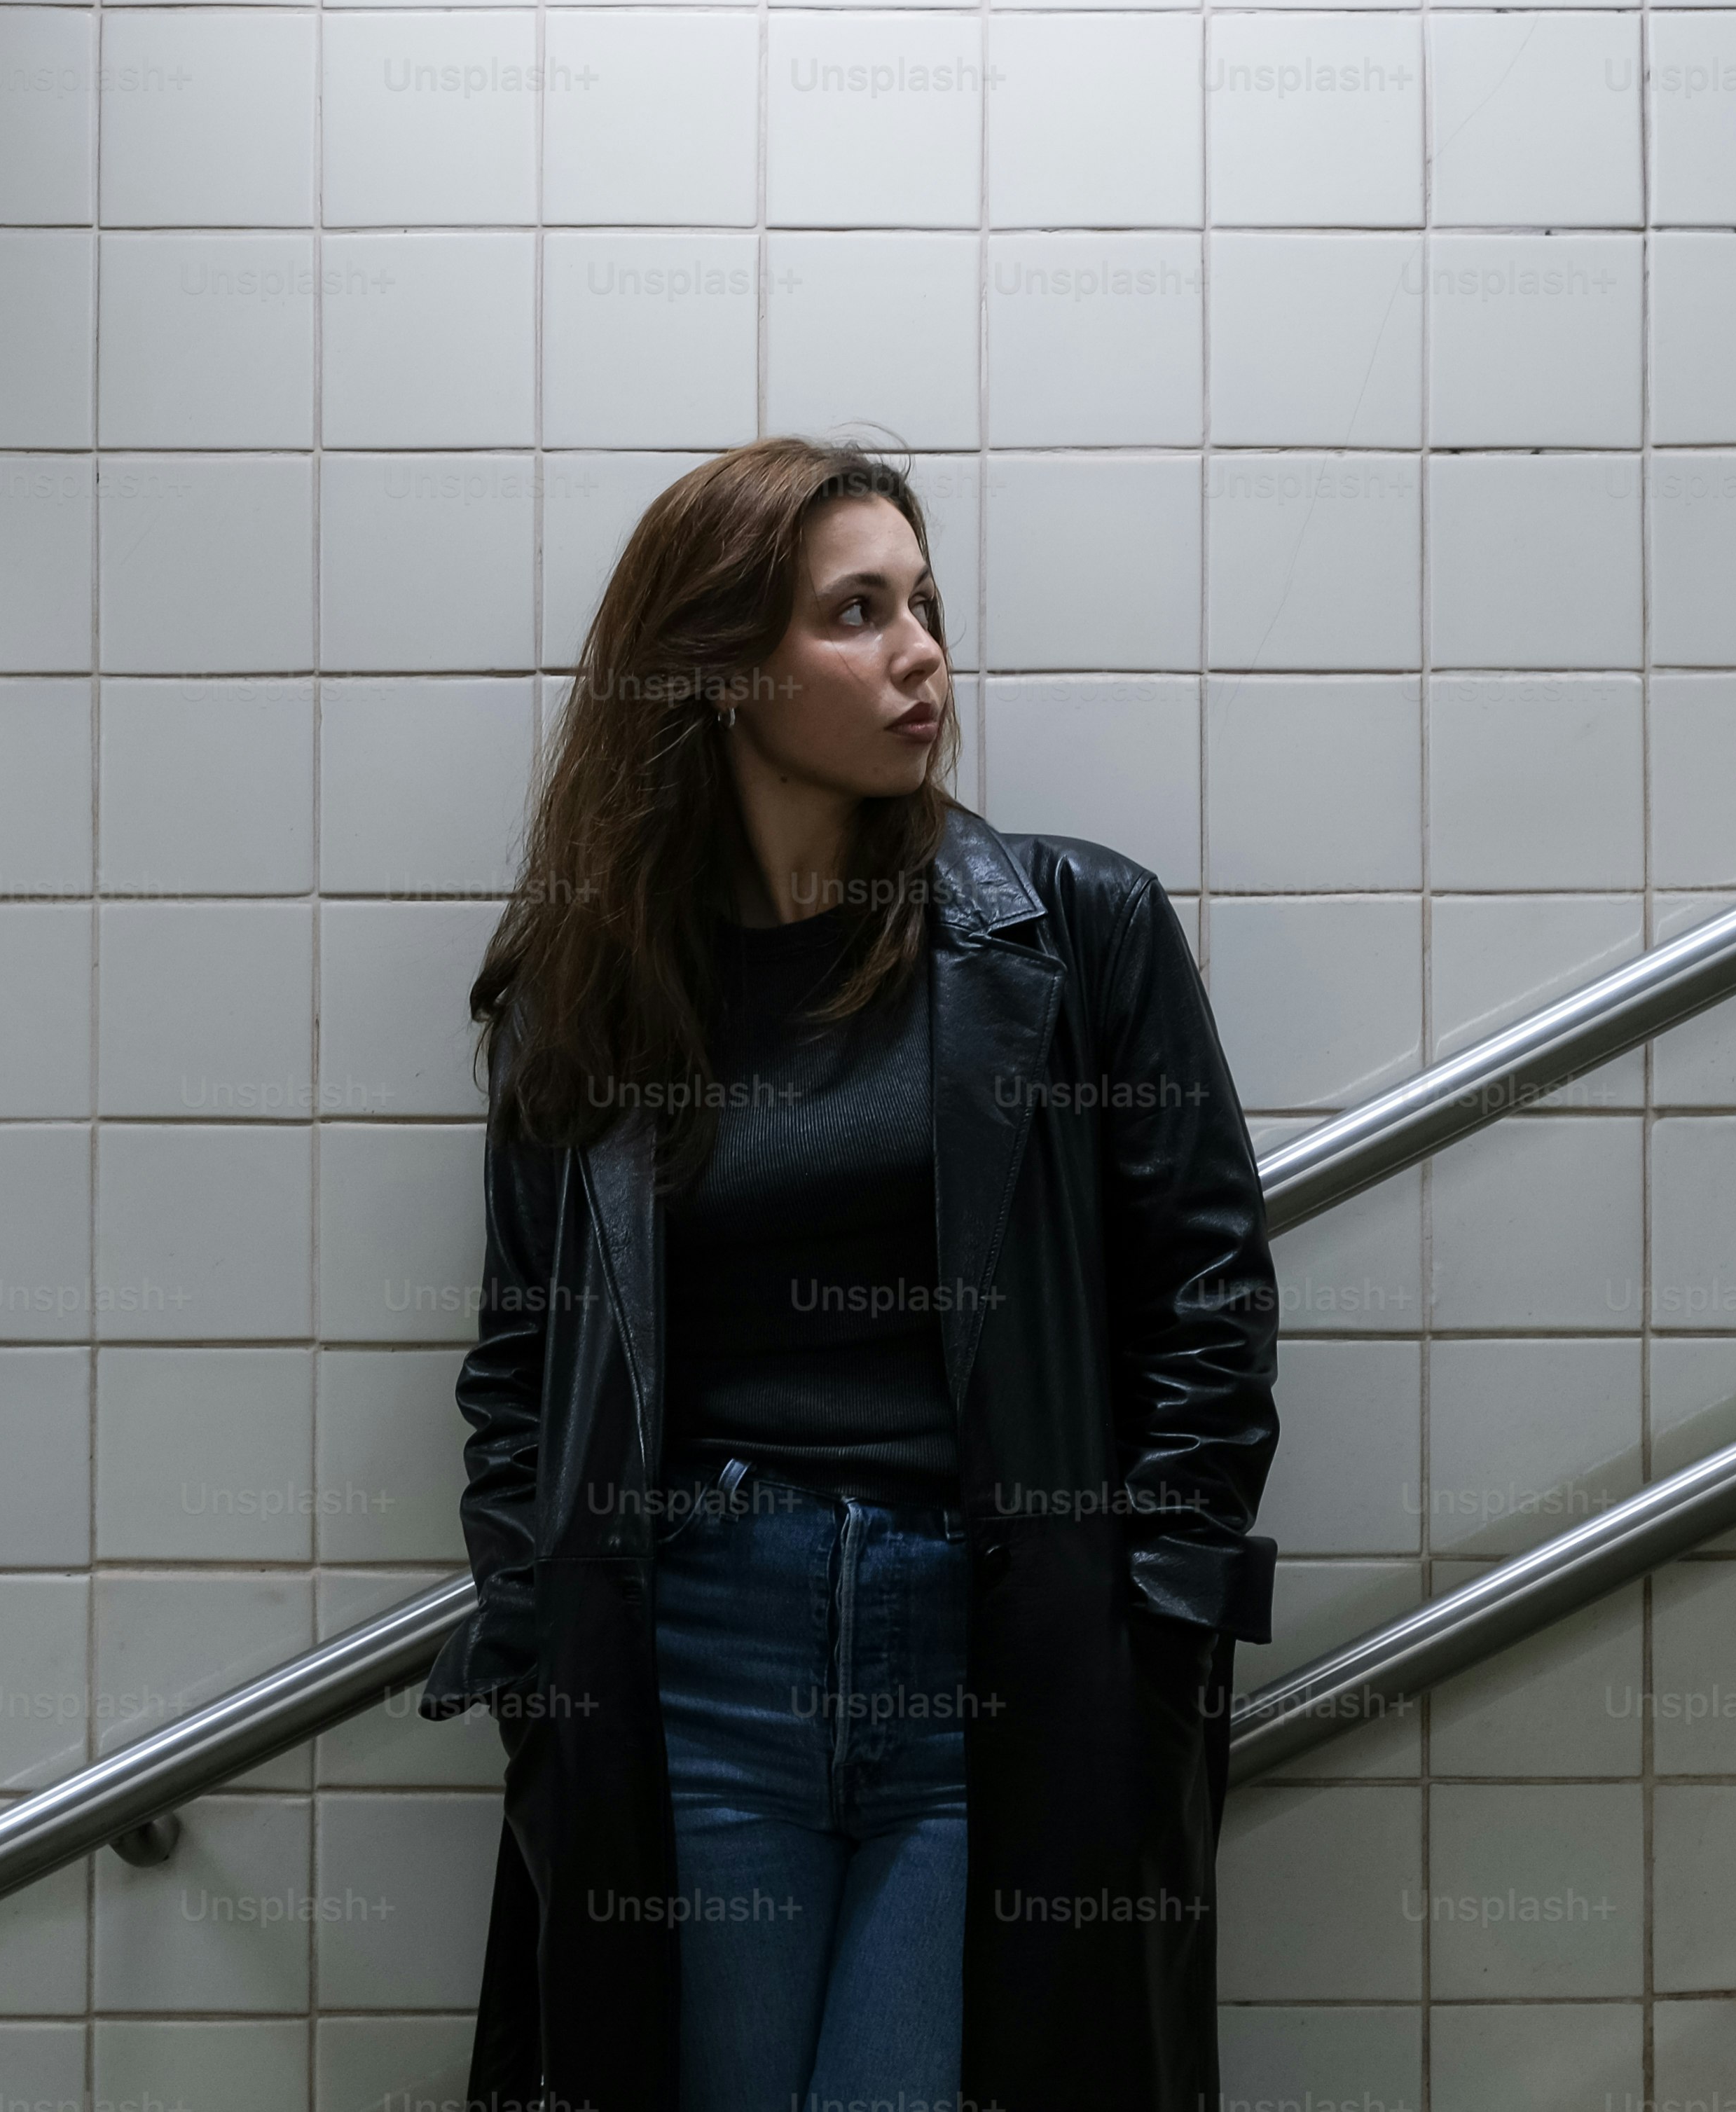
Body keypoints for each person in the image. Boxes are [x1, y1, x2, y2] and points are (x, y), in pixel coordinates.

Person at [414, 434, 1284, 2112]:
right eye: (857, 612)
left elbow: (1209, 1297)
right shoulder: (588, 990)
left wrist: (1146, 1624)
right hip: (699, 1654)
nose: (921, 654)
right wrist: (536, 1643)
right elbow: (518, 1365)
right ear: (719, 669)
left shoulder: (1072, 930)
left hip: (992, 1649)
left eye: (926, 605)